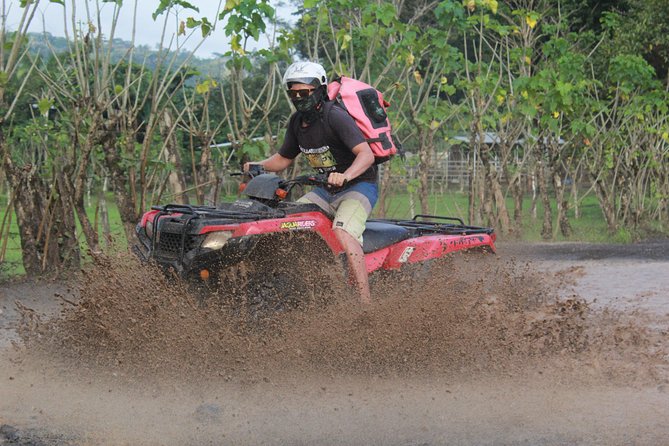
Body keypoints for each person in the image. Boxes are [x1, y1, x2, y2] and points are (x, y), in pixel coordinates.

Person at [244, 61, 377, 304]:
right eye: (293, 93)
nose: (298, 97)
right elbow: (283, 159)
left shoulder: (335, 117)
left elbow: (366, 154)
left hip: (358, 188)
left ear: (319, 90)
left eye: (304, 92)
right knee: (287, 223)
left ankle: (364, 304)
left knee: (343, 231)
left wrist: (346, 175)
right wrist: (258, 165)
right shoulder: (297, 123)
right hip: (326, 191)